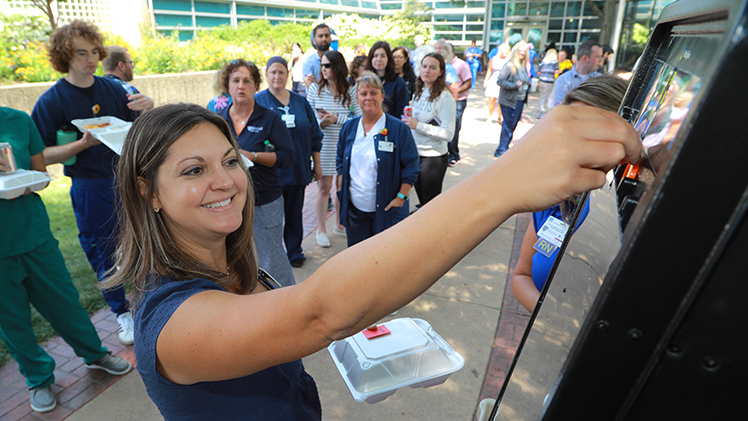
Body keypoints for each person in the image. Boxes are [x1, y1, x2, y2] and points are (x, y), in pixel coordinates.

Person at [106, 93, 641, 419]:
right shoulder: (172, 323)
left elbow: (299, 329)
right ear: (148, 191)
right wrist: (506, 181)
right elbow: (318, 313)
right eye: (193, 170)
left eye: (229, 160)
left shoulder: (233, 268)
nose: (224, 181)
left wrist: (371, 355)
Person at [0, 107, 132, 414]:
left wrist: (26, 183)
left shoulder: (18, 121)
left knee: (64, 302)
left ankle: (94, 353)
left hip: (33, 234)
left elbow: (40, 175)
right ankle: (38, 378)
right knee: (11, 320)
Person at [30, 20, 135, 345]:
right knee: (102, 250)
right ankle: (122, 312)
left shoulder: (114, 89)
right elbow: (40, 156)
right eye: (80, 53)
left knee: (141, 240)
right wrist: (81, 145)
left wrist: (147, 109)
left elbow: (139, 131)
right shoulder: (52, 101)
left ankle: (151, 299)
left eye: (93, 51)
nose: (90, 59)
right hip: (89, 187)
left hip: (126, 180)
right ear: (64, 56)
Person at [512, 75, 629, 312]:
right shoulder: (555, 198)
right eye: (568, 131)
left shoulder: (627, 214)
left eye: (586, 131)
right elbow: (521, 276)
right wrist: (553, 319)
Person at [216, 59, 296, 286]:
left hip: (265, 198)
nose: (241, 86)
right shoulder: (217, 119)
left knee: (271, 256)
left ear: (255, 86)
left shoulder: (269, 118)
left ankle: (286, 298)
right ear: (228, 85)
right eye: (236, 80)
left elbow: (287, 157)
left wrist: (254, 156)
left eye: (246, 81)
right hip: (229, 200)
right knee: (237, 254)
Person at [336, 71, 420, 247]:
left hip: (388, 212)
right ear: (357, 97)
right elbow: (340, 162)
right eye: (363, 93)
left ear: (382, 96)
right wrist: (342, 192)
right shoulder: (349, 127)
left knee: (387, 258)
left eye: (374, 93)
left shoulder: (398, 129)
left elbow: (412, 166)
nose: (369, 98)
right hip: (355, 212)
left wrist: (400, 198)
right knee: (358, 259)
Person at [255, 56, 323, 268]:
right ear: (267, 75)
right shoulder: (258, 102)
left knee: (294, 214)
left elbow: (314, 134)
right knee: (270, 218)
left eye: (281, 72)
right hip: (269, 173)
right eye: (273, 72)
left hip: (296, 169)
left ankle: (294, 251)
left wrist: (317, 163)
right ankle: (272, 255)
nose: (277, 76)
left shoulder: (300, 101)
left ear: (288, 75)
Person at [306, 50, 361, 247]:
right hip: (324, 145)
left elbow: (359, 120)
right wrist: (322, 123)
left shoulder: (351, 91)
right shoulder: (315, 90)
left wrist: (337, 119)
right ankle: (321, 229)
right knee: (324, 188)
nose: (323, 69)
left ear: (338, 67)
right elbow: (308, 119)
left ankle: (339, 224)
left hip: (345, 145)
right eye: (322, 65)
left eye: (327, 65)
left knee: (342, 188)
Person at [402, 53, 455, 207]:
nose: (427, 71)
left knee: (430, 205)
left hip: (433, 158)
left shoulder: (445, 98)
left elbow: (448, 133)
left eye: (432, 68)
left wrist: (417, 125)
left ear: (440, 72)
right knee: (422, 202)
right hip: (415, 154)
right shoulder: (418, 92)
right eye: (424, 66)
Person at [494, 41, 529, 158]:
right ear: (515, 51)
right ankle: (502, 150)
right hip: (509, 100)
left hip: (519, 100)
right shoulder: (509, 65)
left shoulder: (522, 65)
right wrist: (514, 85)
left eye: (525, 51)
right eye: (520, 50)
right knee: (508, 125)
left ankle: (503, 148)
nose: (523, 53)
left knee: (512, 125)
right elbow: (499, 81)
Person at [441, 41, 471, 167]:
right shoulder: (439, 65)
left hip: (458, 101)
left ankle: (454, 155)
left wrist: (455, 91)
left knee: (454, 128)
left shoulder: (461, 65)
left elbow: (468, 82)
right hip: (444, 101)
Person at [101, 45, 154, 115]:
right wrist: (150, 104)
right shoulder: (128, 89)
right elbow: (144, 119)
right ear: (121, 66)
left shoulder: (98, 86)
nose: (132, 67)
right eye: (130, 63)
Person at [552, 40, 603, 107]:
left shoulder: (600, 80)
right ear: (585, 58)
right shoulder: (563, 80)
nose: (601, 60)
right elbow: (559, 108)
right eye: (597, 57)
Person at [365, 41, 408, 118]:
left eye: (383, 56)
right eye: (375, 56)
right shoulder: (364, 81)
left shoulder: (398, 82)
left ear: (388, 58)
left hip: (391, 127)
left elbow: (401, 112)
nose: (379, 59)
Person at [483, 43, 511, 123]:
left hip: (504, 80)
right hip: (494, 79)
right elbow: (489, 70)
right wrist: (486, 80)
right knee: (491, 99)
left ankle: (500, 115)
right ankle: (490, 116)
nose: (506, 53)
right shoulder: (494, 59)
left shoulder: (509, 60)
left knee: (501, 100)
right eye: (504, 51)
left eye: (507, 51)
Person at [303, 23, 331, 88]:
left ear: (330, 39)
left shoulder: (338, 60)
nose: (324, 39)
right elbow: (311, 88)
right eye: (320, 36)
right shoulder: (308, 63)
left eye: (326, 36)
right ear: (314, 41)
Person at [536, 48, 559, 119]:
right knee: (547, 97)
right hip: (549, 81)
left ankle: (540, 110)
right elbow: (556, 71)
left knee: (542, 96)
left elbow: (539, 72)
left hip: (542, 80)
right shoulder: (555, 62)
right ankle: (542, 112)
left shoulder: (543, 62)